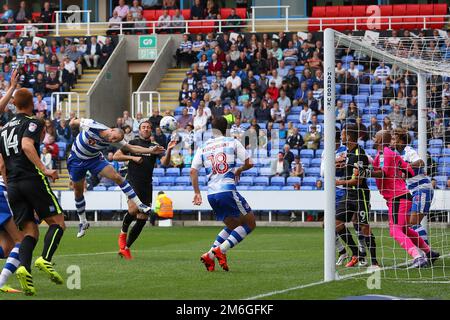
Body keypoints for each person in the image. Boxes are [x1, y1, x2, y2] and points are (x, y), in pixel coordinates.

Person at [0, 88, 66, 296]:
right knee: (58, 222)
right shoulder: (34, 122)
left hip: (12, 185)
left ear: (14, 104)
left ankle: (24, 271)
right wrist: (45, 169)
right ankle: (45, 259)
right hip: (31, 178)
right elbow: (27, 145)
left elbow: (2, 164)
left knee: (30, 232)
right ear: (32, 105)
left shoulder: (3, 129)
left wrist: (10, 183)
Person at [68, 118, 165, 238]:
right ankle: (83, 222)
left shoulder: (116, 139)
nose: (112, 140)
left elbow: (131, 148)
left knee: (117, 177)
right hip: (76, 161)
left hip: (94, 159)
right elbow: (74, 122)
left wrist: (151, 150)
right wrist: (73, 123)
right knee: (78, 192)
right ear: (112, 130)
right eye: (113, 137)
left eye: (116, 140)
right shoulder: (93, 125)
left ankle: (140, 204)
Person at [360, 130, 436, 268]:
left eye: (375, 136)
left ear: (381, 139)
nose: (373, 138)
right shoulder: (390, 154)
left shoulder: (386, 153)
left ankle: (418, 257)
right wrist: (400, 172)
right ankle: (428, 252)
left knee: (395, 230)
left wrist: (365, 172)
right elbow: (410, 171)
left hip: (398, 197)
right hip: (399, 196)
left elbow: (383, 173)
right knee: (406, 228)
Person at [191, 117, 256, 272]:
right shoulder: (232, 142)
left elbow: (193, 171)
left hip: (211, 194)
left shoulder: (203, 147)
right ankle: (219, 251)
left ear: (212, 130)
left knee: (233, 225)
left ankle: (209, 256)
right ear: (226, 128)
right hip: (227, 191)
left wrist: (197, 193)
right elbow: (250, 162)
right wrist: (239, 169)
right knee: (249, 224)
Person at [114, 121, 175, 259]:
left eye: (148, 127)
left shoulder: (154, 147)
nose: (146, 129)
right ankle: (122, 233)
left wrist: (169, 150)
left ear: (151, 130)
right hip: (132, 181)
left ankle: (126, 248)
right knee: (134, 209)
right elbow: (116, 156)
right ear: (139, 130)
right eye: (143, 127)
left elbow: (165, 163)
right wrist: (132, 157)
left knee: (142, 218)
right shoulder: (133, 143)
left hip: (146, 185)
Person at [334, 124, 378, 268]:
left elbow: (357, 180)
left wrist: (339, 182)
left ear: (349, 136)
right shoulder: (348, 153)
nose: (341, 137)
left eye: (343, 134)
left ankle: (375, 261)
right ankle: (355, 254)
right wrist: (338, 164)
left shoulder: (359, 154)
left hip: (360, 195)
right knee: (336, 223)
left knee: (364, 227)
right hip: (349, 194)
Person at [391, 129, 438, 252]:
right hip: (412, 191)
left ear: (401, 141)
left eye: (395, 139)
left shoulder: (408, 151)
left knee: (413, 223)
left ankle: (426, 254)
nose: (393, 141)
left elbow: (421, 162)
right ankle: (426, 253)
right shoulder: (396, 154)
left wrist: (404, 167)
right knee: (407, 225)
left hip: (422, 189)